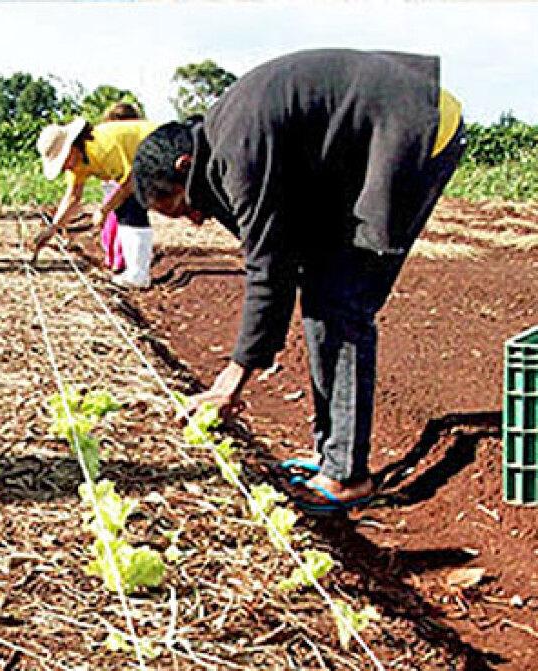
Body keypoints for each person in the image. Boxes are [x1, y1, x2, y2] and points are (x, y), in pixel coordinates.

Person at [129, 49, 466, 514]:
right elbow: (279, 256)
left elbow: (267, 268)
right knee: (323, 293)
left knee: (341, 304)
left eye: (182, 207)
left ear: (185, 165)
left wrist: (234, 376)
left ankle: (347, 476)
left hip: (413, 127)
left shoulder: (238, 153)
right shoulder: (227, 142)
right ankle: (332, 455)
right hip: (372, 138)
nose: (195, 219)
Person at [31, 115, 161, 288]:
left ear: (73, 146)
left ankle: (138, 275)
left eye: (64, 160)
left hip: (160, 146)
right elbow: (73, 196)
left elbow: (131, 181)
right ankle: (135, 272)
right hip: (142, 161)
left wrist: (104, 210)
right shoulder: (77, 161)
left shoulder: (103, 148)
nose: (65, 167)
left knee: (130, 205)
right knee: (125, 207)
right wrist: (52, 229)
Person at [97, 102, 144, 272]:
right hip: (127, 184)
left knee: (111, 221)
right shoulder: (136, 137)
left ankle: (110, 258)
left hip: (112, 184)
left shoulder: (106, 137)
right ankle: (119, 260)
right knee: (126, 224)